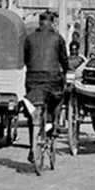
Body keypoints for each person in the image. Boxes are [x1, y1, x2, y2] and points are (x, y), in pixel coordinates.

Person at [24, 10, 69, 160]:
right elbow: (64, 60)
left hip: (33, 80)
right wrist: (65, 71)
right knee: (57, 98)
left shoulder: (29, 38)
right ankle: (53, 123)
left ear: (40, 22)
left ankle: (32, 147)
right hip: (52, 80)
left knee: (33, 112)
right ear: (52, 23)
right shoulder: (58, 38)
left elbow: (25, 59)